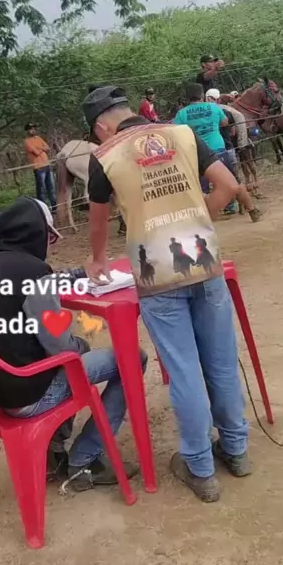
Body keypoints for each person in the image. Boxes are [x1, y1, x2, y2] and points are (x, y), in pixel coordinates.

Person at [82, 84, 251, 503]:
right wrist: (197, 222)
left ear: (101, 127)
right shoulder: (181, 134)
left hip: (156, 277)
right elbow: (228, 186)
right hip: (205, 262)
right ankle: (236, 450)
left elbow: (98, 222)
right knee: (222, 362)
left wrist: (98, 260)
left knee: (184, 370)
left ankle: (200, 469)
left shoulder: (105, 155)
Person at [0, 195, 146, 492]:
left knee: (77, 355)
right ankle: (85, 460)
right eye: (50, 236)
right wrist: (79, 345)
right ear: (35, 234)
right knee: (132, 358)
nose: (52, 244)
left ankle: (54, 450)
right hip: (28, 393)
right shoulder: (32, 272)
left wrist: (77, 274)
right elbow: (61, 347)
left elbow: (41, 284)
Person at [174, 85, 261, 222]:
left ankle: (206, 218)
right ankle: (251, 210)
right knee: (233, 182)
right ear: (202, 95)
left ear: (187, 98)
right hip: (218, 148)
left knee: (202, 189)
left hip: (198, 153)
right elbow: (225, 122)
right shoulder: (213, 107)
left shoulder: (181, 114)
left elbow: (176, 132)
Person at [24, 124, 57, 211]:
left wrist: (39, 148)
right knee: (42, 189)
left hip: (47, 165)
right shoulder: (27, 141)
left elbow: (48, 148)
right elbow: (36, 152)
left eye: (34, 128)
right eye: (30, 129)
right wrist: (42, 148)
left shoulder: (39, 138)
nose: (33, 130)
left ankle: (54, 206)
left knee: (51, 187)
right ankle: (43, 208)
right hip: (38, 167)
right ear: (27, 131)